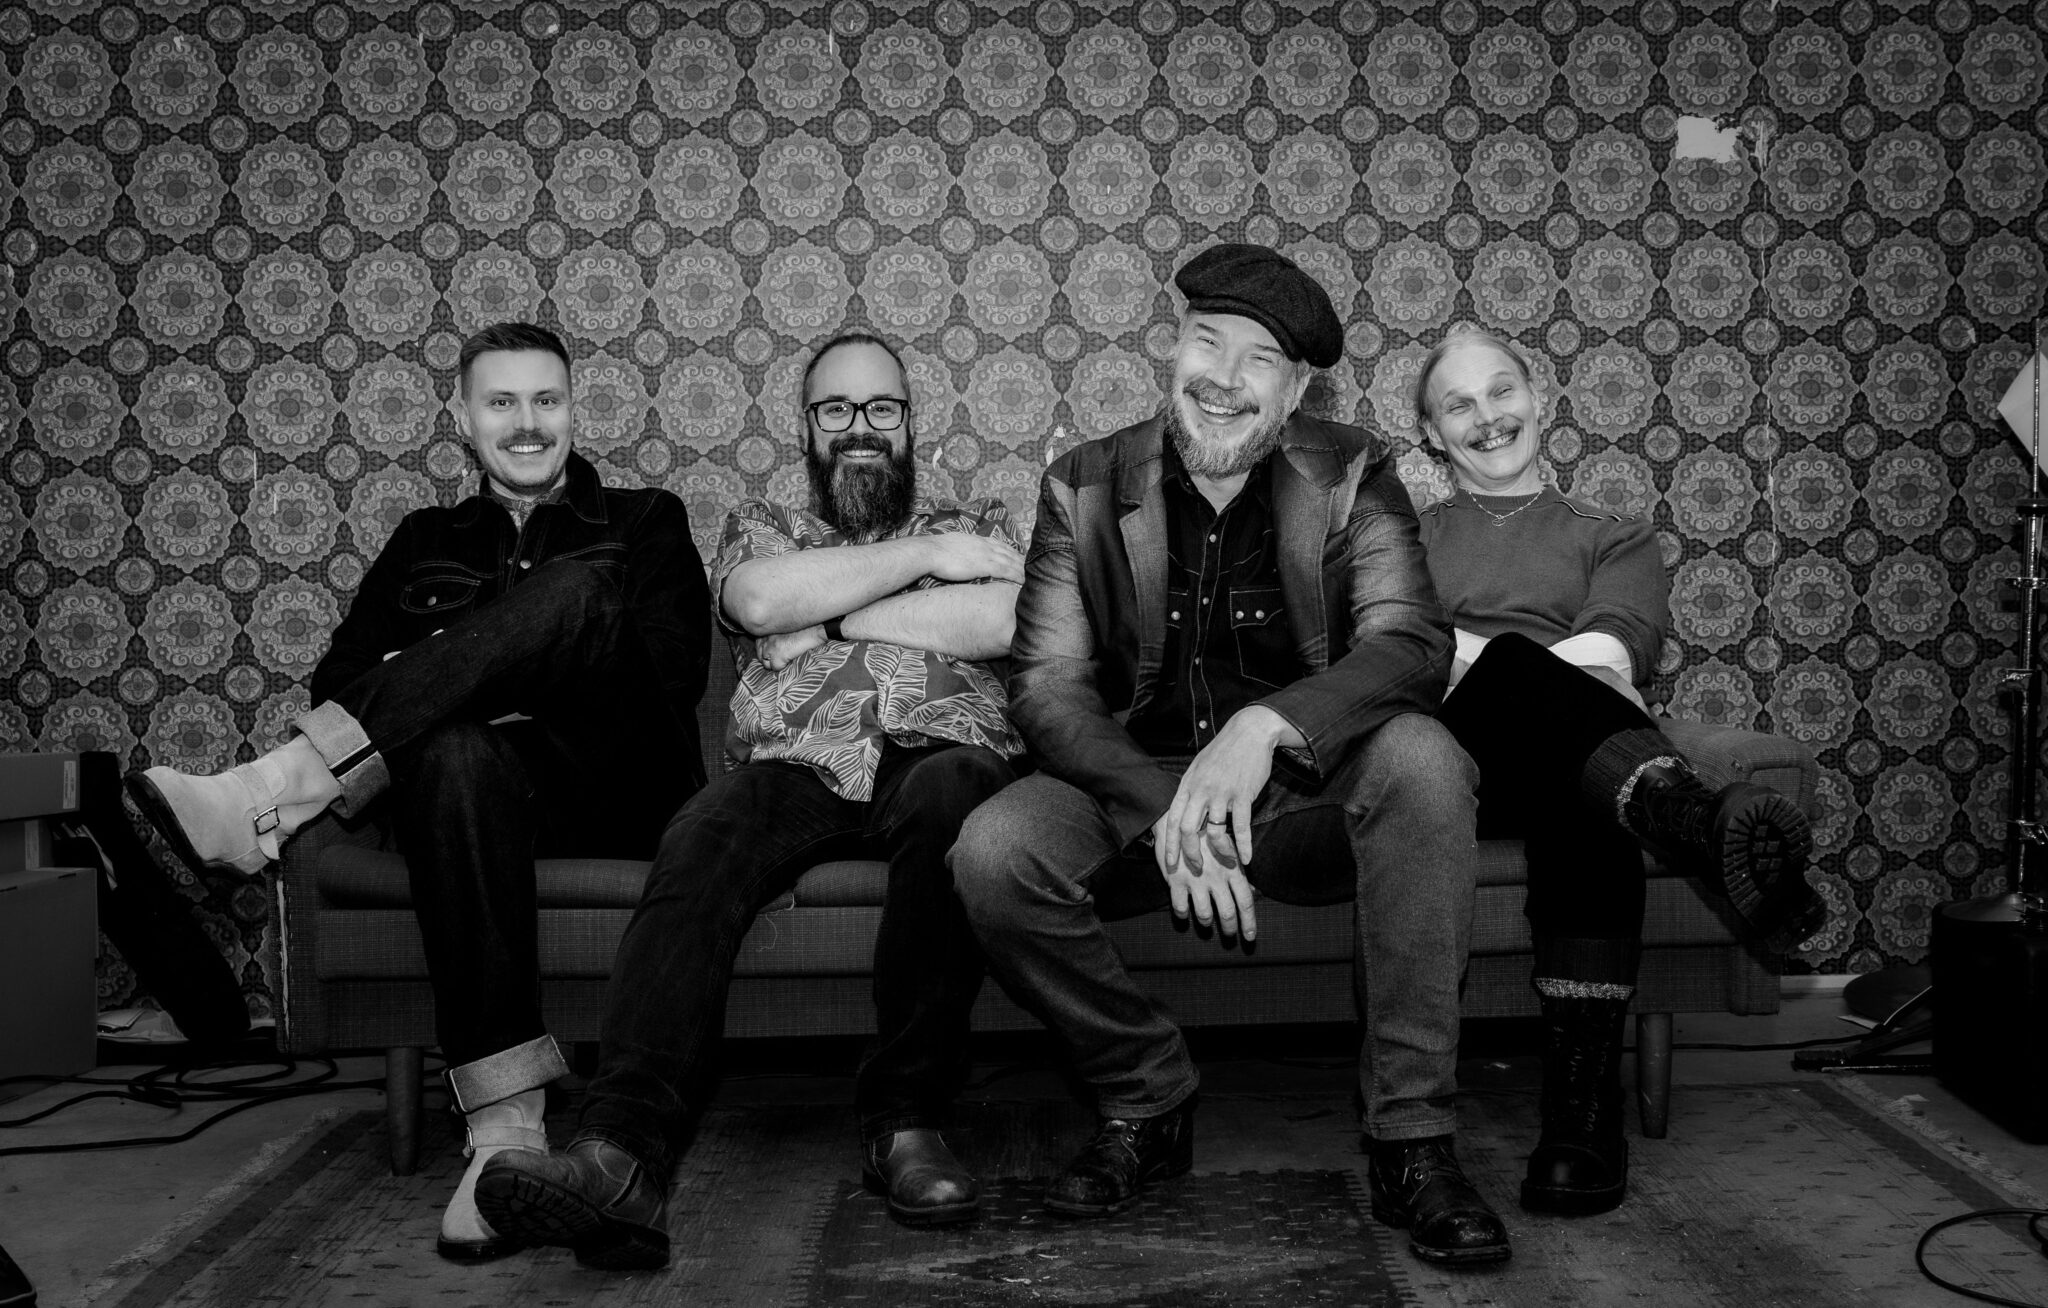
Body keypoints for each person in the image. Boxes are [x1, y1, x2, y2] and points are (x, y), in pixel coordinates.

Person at [950, 244, 1513, 1267]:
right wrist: (1169, 805)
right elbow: (1046, 684)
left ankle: (1412, 1137)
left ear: (1296, 392)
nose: (1223, 378)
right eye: (1207, 343)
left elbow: (1409, 643)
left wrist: (1264, 729)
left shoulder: (1354, 471)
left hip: (1303, 792)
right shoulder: (1082, 484)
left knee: (1426, 757)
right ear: (1170, 350)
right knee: (992, 851)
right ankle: (1146, 1096)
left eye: (1260, 360)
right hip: (1129, 788)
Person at [126, 321, 712, 1261]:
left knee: (576, 598)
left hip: (620, 787)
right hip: (473, 804)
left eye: (547, 400)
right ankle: (506, 1130)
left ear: (574, 409)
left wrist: (470, 663)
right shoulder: (424, 540)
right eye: (502, 402)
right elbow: (340, 679)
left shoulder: (645, 520)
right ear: (464, 419)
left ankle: (278, 789)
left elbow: (672, 678)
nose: (528, 423)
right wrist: (467, 690)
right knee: (457, 754)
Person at [473, 332, 1026, 1269]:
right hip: (794, 761)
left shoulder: (978, 519)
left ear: (910, 423)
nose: (860, 428)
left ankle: (907, 1124)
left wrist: (837, 617)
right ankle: (620, 1155)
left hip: (941, 746)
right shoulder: (764, 521)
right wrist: (930, 566)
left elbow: (1005, 618)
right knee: (702, 831)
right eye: (836, 409)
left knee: (959, 796)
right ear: (805, 428)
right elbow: (763, 604)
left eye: (882, 408)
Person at [1412, 324, 1822, 1216]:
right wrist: (1498, 666)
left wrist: (1479, 657)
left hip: (1584, 762)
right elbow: (1407, 653)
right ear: (1433, 435)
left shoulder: (1614, 534)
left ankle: (1582, 1114)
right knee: (1526, 689)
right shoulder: (1406, 541)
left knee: (1585, 792)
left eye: (1502, 390)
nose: (1487, 416)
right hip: (1456, 767)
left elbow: (1614, 651)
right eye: (1458, 405)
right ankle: (1691, 818)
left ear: (1539, 397)